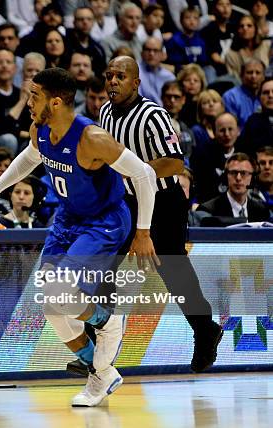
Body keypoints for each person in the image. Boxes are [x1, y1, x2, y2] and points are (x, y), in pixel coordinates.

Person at [0, 67, 159, 407]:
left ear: (58, 102)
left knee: (62, 293)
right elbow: (30, 158)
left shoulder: (92, 139)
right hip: (67, 219)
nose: (28, 102)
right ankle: (101, 374)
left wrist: (143, 231)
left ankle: (107, 320)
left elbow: (145, 174)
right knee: (49, 304)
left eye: (35, 96)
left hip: (103, 221)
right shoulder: (40, 129)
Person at [100, 56, 223, 372]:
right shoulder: (103, 113)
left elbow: (174, 163)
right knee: (103, 263)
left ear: (136, 82)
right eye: (109, 75)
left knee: (172, 268)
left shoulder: (153, 116)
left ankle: (205, 329)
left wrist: (134, 173)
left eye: (120, 76)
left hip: (163, 199)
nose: (113, 81)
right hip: (124, 202)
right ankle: (96, 348)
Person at [196, 153, 270, 222]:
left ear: (252, 179)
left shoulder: (262, 211)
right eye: (233, 173)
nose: (238, 178)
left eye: (243, 173)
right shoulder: (208, 210)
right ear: (225, 177)